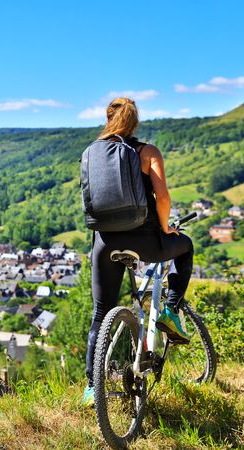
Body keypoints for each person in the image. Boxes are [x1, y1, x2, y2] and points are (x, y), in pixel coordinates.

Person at [81, 97, 193, 406]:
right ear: (135, 122)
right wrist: (166, 226)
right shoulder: (147, 152)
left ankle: (92, 387)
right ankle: (170, 310)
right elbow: (163, 197)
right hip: (144, 241)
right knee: (185, 247)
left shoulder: (92, 152)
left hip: (104, 243)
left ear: (108, 119)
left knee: (101, 313)